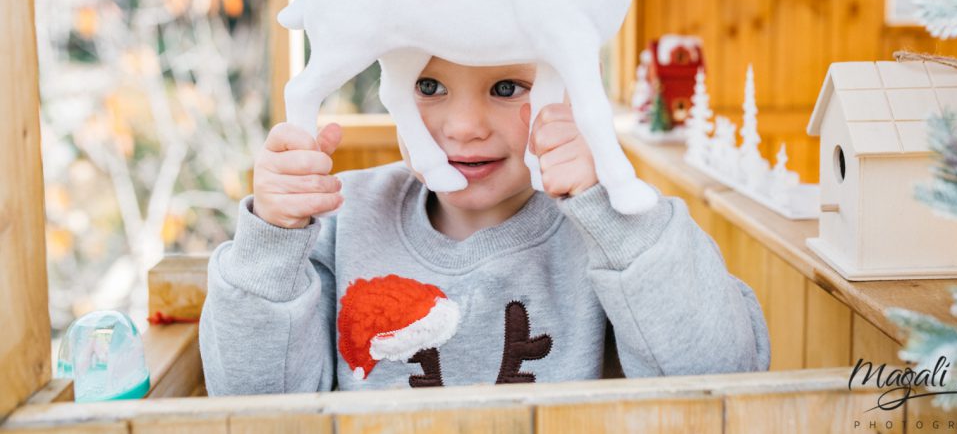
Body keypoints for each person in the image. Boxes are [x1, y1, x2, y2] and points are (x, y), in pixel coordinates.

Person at [199, 56, 770, 394]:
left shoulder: (609, 228)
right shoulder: (341, 218)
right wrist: (271, 238)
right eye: (429, 86)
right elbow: (257, 401)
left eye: (506, 88)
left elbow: (725, 376)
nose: (464, 126)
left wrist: (615, 210)